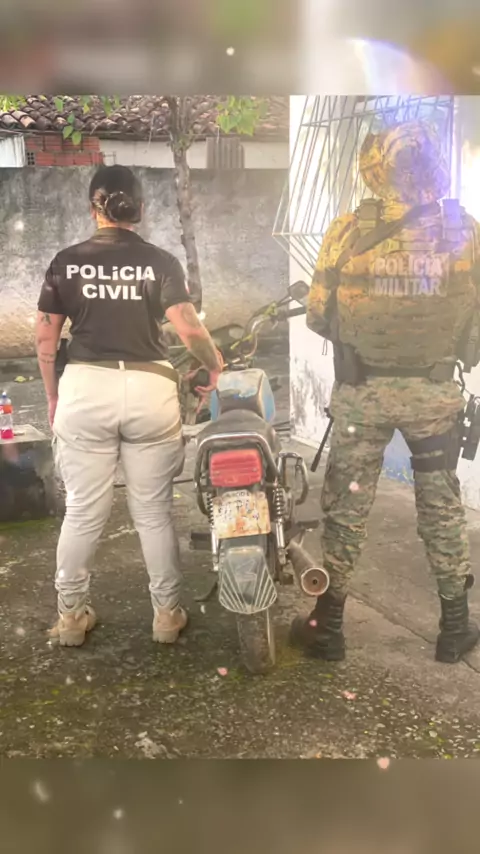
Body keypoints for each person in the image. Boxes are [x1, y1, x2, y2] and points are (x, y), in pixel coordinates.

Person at [291, 120, 480, 665]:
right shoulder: (465, 230)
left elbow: (318, 315)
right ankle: (455, 629)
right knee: (442, 507)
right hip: (433, 396)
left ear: (375, 167)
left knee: (346, 510)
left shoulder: (349, 229)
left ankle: (328, 628)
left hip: (362, 394)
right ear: (436, 165)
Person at [36, 164, 223, 648]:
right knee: (154, 513)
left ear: (93, 208)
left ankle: (71, 617)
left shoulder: (66, 262)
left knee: (82, 513)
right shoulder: (160, 262)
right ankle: (166, 615)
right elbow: (188, 326)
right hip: (149, 391)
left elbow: (46, 340)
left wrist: (54, 396)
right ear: (140, 208)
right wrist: (214, 365)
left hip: (85, 389)